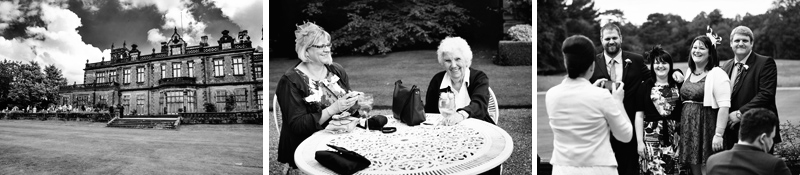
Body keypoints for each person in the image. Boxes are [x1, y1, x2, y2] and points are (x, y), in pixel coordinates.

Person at [589, 23, 684, 175]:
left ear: (621, 38)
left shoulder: (636, 60)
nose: (611, 41)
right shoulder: (593, 63)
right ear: (601, 40)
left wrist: (675, 71)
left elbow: (655, 76)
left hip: (629, 127)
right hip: (602, 129)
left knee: (630, 169)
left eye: (614, 37)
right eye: (607, 38)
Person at [275, 21, 362, 175]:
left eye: (328, 44)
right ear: (306, 51)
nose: (327, 49)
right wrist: (333, 109)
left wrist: (353, 101)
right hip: (308, 145)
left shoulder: (336, 70)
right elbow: (297, 126)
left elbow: (351, 108)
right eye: (320, 46)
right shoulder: (290, 81)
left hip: (341, 136)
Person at [547, 35, 632, 175]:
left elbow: (578, 101)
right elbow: (625, 135)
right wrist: (618, 102)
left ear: (565, 63)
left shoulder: (552, 94)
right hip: (598, 169)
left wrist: (591, 88)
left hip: (562, 169)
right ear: (592, 65)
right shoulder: (602, 96)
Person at [721, 26, 780, 151]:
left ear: (751, 43)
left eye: (745, 40)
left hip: (758, 130)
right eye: (737, 41)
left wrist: (739, 114)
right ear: (731, 43)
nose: (740, 43)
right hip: (730, 131)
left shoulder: (765, 63)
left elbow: (766, 94)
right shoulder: (725, 66)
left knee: (759, 169)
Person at [679, 34, 731, 175]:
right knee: (694, 168)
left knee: (707, 169)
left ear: (710, 53)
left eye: (702, 48)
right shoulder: (689, 72)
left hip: (707, 128)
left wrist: (718, 134)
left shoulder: (717, 74)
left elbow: (724, 106)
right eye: (694, 47)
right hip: (689, 128)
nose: (697, 51)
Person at [633, 46, 683, 174]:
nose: (660, 66)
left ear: (670, 65)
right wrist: (640, 142)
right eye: (657, 63)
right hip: (651, 139)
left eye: (664, 62)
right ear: (652, 66)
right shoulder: (644, 86)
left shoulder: (678, 84)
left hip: (675, 138)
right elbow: (639, 115)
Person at [424, 36, 493, 125]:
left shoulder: (479, 77)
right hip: (446, 131)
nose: (453, 65)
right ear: (442, 62)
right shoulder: (437, 80)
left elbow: (480, 105)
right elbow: (429, 113)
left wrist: (460, 115)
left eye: (457, 59)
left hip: (479, 126)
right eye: (448, 60)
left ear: (466, 59)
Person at [706, 108, 790, 175]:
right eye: (772, 137)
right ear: (762, 138)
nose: (772, 142)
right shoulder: (773, 165)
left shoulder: (713, 161)